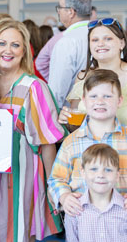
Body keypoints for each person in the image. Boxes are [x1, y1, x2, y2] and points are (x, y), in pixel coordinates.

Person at [0, 19, 66, 242]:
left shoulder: (33, 87)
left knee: (19, 231)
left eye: (15, 45)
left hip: (22, 175)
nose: (7, 50)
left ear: (24, 51)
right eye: (1, 43)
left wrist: (53, 185)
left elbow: (47, 142)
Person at [48, 69, 127, 217]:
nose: (100, 102)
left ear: (119, 101)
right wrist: (64, 196)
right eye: (93, 96)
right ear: (84, 100)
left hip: (121, 222)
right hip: (82, 219)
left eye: (107, 96)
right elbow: (56, 178)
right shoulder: (71, 142)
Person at [58, 18, 127, 128]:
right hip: (90, 144)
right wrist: (67, 120)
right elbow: (75, 126)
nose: (100, 44)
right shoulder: (83, 77)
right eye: (95, 40)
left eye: (108, 39)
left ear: (122, 43)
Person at [64, 143, 127, 241]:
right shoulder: (74, 209)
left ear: (117, 175)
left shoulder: (125, 209)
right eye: (94, 169)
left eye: (108, 170)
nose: (101, 175)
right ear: (83, 173)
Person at [48, 0, 92, 108]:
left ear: (71, 12)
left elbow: (56, 91)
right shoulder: (104, 36)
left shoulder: (67, 42)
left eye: (60, 7)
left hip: (73, 116)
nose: (58, 12)